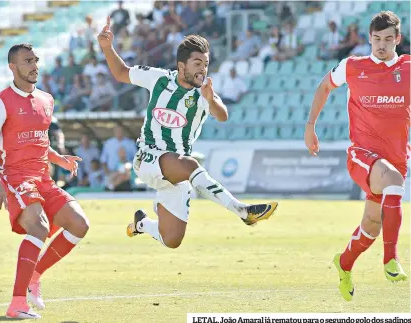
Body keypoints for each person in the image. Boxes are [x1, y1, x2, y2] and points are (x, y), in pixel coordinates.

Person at [98, 17, 278, 249]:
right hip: (148, 157)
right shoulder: (159, 78)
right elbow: (121, 73)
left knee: (172, 240)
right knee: (191, 165)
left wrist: (211, 99)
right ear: (181, 66)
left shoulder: (204, 94)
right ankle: (242, 211)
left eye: (205, 64)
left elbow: (222, 116)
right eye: (197, 63)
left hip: (177, 170)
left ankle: (142, 223)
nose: (202, 69)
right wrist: (106, 47)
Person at [304, 11, 410, 302]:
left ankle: (345, 263)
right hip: (363, 155)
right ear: (369, 39)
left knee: (372, 225)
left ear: (398, 39)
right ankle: (391, 259)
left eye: (388, 39)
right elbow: (325, 86)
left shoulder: (409, 68)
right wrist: (310, 126)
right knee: (393, 179)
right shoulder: (352, 66)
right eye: (376, 39)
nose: (382, 45)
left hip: (396, 157)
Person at [0, 44, 90, 319]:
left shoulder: (47, 99)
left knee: (79, 224)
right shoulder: (0, 102)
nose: (34, 66)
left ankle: (35, 275)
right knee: (39, 227)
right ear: (12, 67)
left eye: (36, 60)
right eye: (27, 61)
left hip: (44, 178)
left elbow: (40, 141)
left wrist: (59, 159)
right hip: (16, 178)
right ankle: (17, 303)